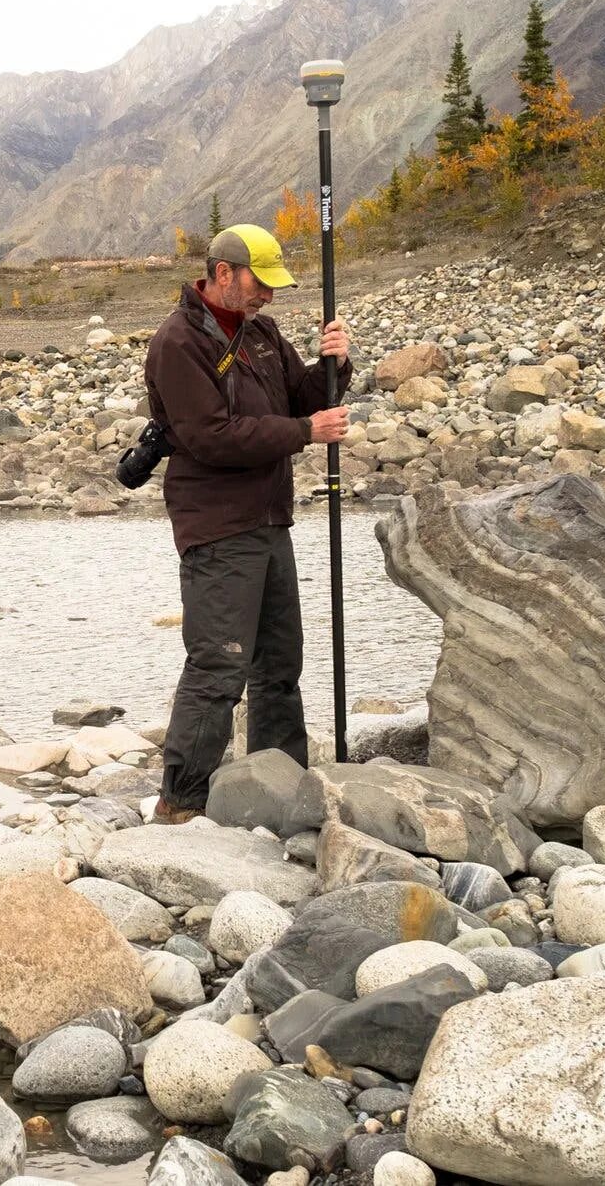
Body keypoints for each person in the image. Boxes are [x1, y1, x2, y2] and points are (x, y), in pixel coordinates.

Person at [143, 221, 352, 823]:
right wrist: (305, 433)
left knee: (280, 663)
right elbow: (210, 438)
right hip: (217, 527)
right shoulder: (178, 343)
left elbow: (306, 398)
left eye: (274, 285)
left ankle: (279, 787)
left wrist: (333, 361)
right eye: (260, 283)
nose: (269, 295)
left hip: (268, 520)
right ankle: (180, 802)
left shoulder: (262, 333)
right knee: (218, 664)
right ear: (224, 273)